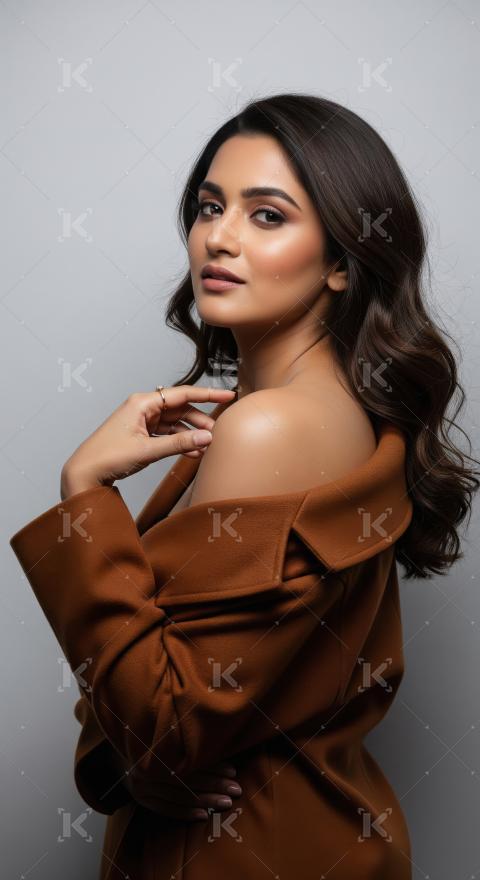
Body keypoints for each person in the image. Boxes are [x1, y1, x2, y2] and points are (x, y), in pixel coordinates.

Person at [10, 93, 479, 879]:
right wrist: (134, 757)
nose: (218, 238)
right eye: (209, 207)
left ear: (341, 260)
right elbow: (164, 694)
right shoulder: (332, 415)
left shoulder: (270, 429)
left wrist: (83, 490)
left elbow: (165, 724)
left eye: (267, 216)